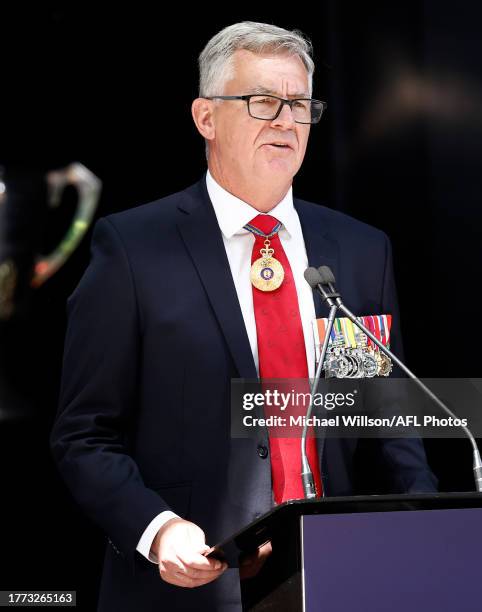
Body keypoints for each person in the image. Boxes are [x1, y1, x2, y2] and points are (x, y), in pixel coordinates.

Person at [50, 21, 437, 612]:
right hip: (191, 585)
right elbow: (85, 434)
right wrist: (158, 529)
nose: (286, 120)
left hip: (339, 576)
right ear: (206, 118)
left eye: (301, 104)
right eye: (263, 102)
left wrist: (424, 529)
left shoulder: (360, 251)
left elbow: (383, 420)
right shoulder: (132, 248)